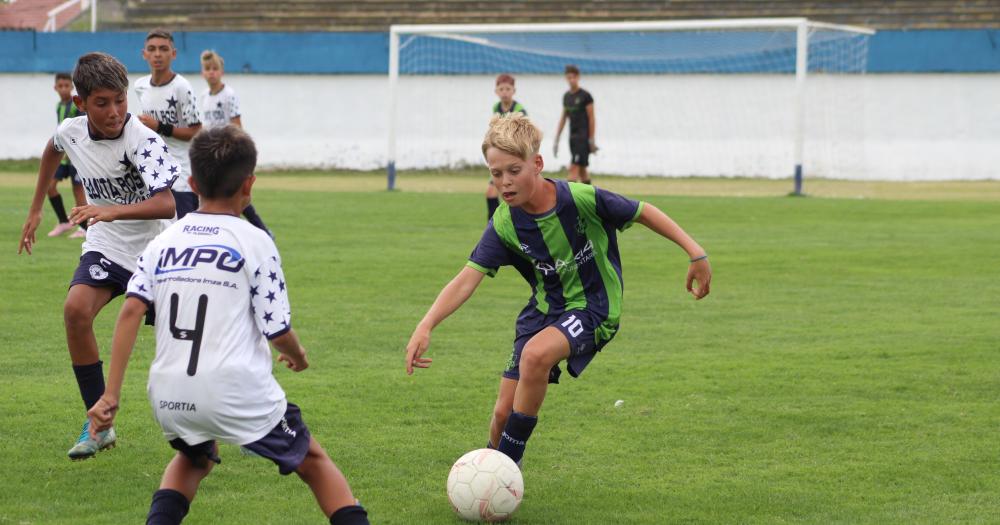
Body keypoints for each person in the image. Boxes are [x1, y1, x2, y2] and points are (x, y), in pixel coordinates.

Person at [87, 126, 369, 525]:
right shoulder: (254, 241)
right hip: (235, 390)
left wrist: (110, 395)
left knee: (193, 459)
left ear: (191, 183)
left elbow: (131, 311)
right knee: (313, 462)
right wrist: (299, 356)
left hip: (169, 394)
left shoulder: (163, 243)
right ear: (249, 184)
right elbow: (277, 331)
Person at [404, 114, 711, 466]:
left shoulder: (579, 199)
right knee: (503, 414)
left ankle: (506, 469)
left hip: (595, 307)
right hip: (543, 312)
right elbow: (466, 279)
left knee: (536, 355)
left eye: (513, 171)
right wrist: (425, 324)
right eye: (496, 173)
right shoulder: (504, 223)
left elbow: (642, 211)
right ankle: (491, 477)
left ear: (537, 164)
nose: (504, 182)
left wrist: (695, 252)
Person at [17, 52, 178, 460]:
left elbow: (166, 204)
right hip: (107, 245)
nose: (115, 111)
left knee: (195, 338)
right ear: (81, 103)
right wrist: (37, 208)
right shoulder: (71, 131)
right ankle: (98, 425)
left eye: (120, 100)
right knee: (75, 311)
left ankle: (257, 417)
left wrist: (109, 210)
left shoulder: (142, 139)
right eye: (103, 103)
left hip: (157, 252)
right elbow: (52, 149)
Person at [199, 49, 273, 237]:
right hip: (211, 156)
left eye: (215, 68)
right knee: (214, 197)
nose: (211, 73)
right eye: (208, 69)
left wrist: (238, 153)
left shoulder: (229, 95)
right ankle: (228, 232)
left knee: (236, 196)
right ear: (202, 72)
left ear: (222, 71)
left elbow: (237, 126)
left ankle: (261, 230)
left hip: (227, 154)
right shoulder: (204, 97)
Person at [135, 28, 202, 220]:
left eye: (163, 49)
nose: (157, 54)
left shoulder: (182, 87)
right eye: (152, 49)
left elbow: (196, 131)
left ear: (173, 54)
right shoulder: (140, 86)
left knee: (184, 234)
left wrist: (160, 126)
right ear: (144, 54)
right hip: (152, 171)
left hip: (181, 174)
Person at [46, 72, 88, 239]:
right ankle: (64, 222)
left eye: (66, 86)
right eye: (60, 86)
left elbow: (80, 130)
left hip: (76, 157)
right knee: (50, 187)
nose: (63, 89)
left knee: (78, 192)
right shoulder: (59, 106)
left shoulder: (75, 105)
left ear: (71, 87)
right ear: (55, 88)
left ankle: (84, 228)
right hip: (62, 156)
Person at [485, 74, 527, 220]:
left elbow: (523, 135)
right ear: (496, 91)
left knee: (512, 195)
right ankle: (494, 226)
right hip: (501, 158)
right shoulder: (496, 107)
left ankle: (513, 224)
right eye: (501, 89)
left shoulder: (519, 109)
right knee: (491, 192)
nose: (504, 92)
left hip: (514, 158)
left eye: (507, 89)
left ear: (513, 91)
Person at [553, 64, 596, 184]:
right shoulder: (566, 97)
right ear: (566, 78)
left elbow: (592, 118)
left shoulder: (586, 96)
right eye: (569, 77)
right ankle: (591, 199)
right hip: (572, 137)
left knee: (573, 168)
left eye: (574, 77)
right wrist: (557, 138)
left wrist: (591, 139)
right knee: (582, 170)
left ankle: (568, 199)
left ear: (578, 77)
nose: (571, 80)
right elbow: (563, 118)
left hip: (583, 138)